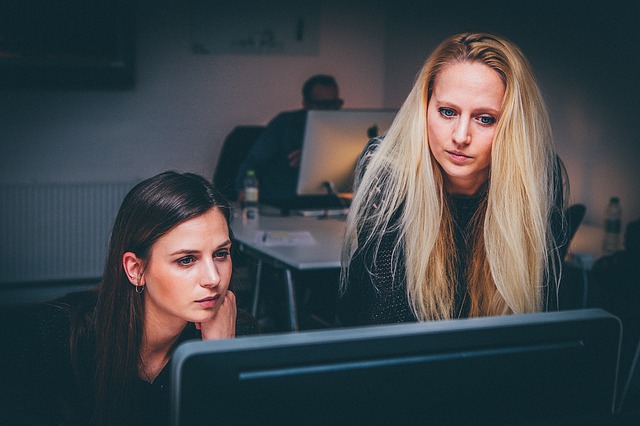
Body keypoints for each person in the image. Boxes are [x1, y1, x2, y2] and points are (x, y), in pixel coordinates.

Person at [338, 32, 568, 326]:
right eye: (447, 112)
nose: (461, 137)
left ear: (514, 126)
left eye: (485, 119)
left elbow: (537, 315)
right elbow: (386, 316)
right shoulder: (389, 167)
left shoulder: (539, 176)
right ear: (425, 107)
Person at [3, 171, 258, 425]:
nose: (213, 278)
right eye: (186, 260)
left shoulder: (234, 336)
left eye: (221, 254)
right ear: (136, 270)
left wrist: (217, 358)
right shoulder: (52, 339)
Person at [234, 74, 343, 204]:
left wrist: (319, 157)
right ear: (306, 104)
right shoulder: (284, 124)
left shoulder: (343, 131)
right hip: (283, 202)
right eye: (323, 105)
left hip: (328, 203)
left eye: (335, 104)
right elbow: (253, 162)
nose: (330, 111)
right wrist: (244, 190)